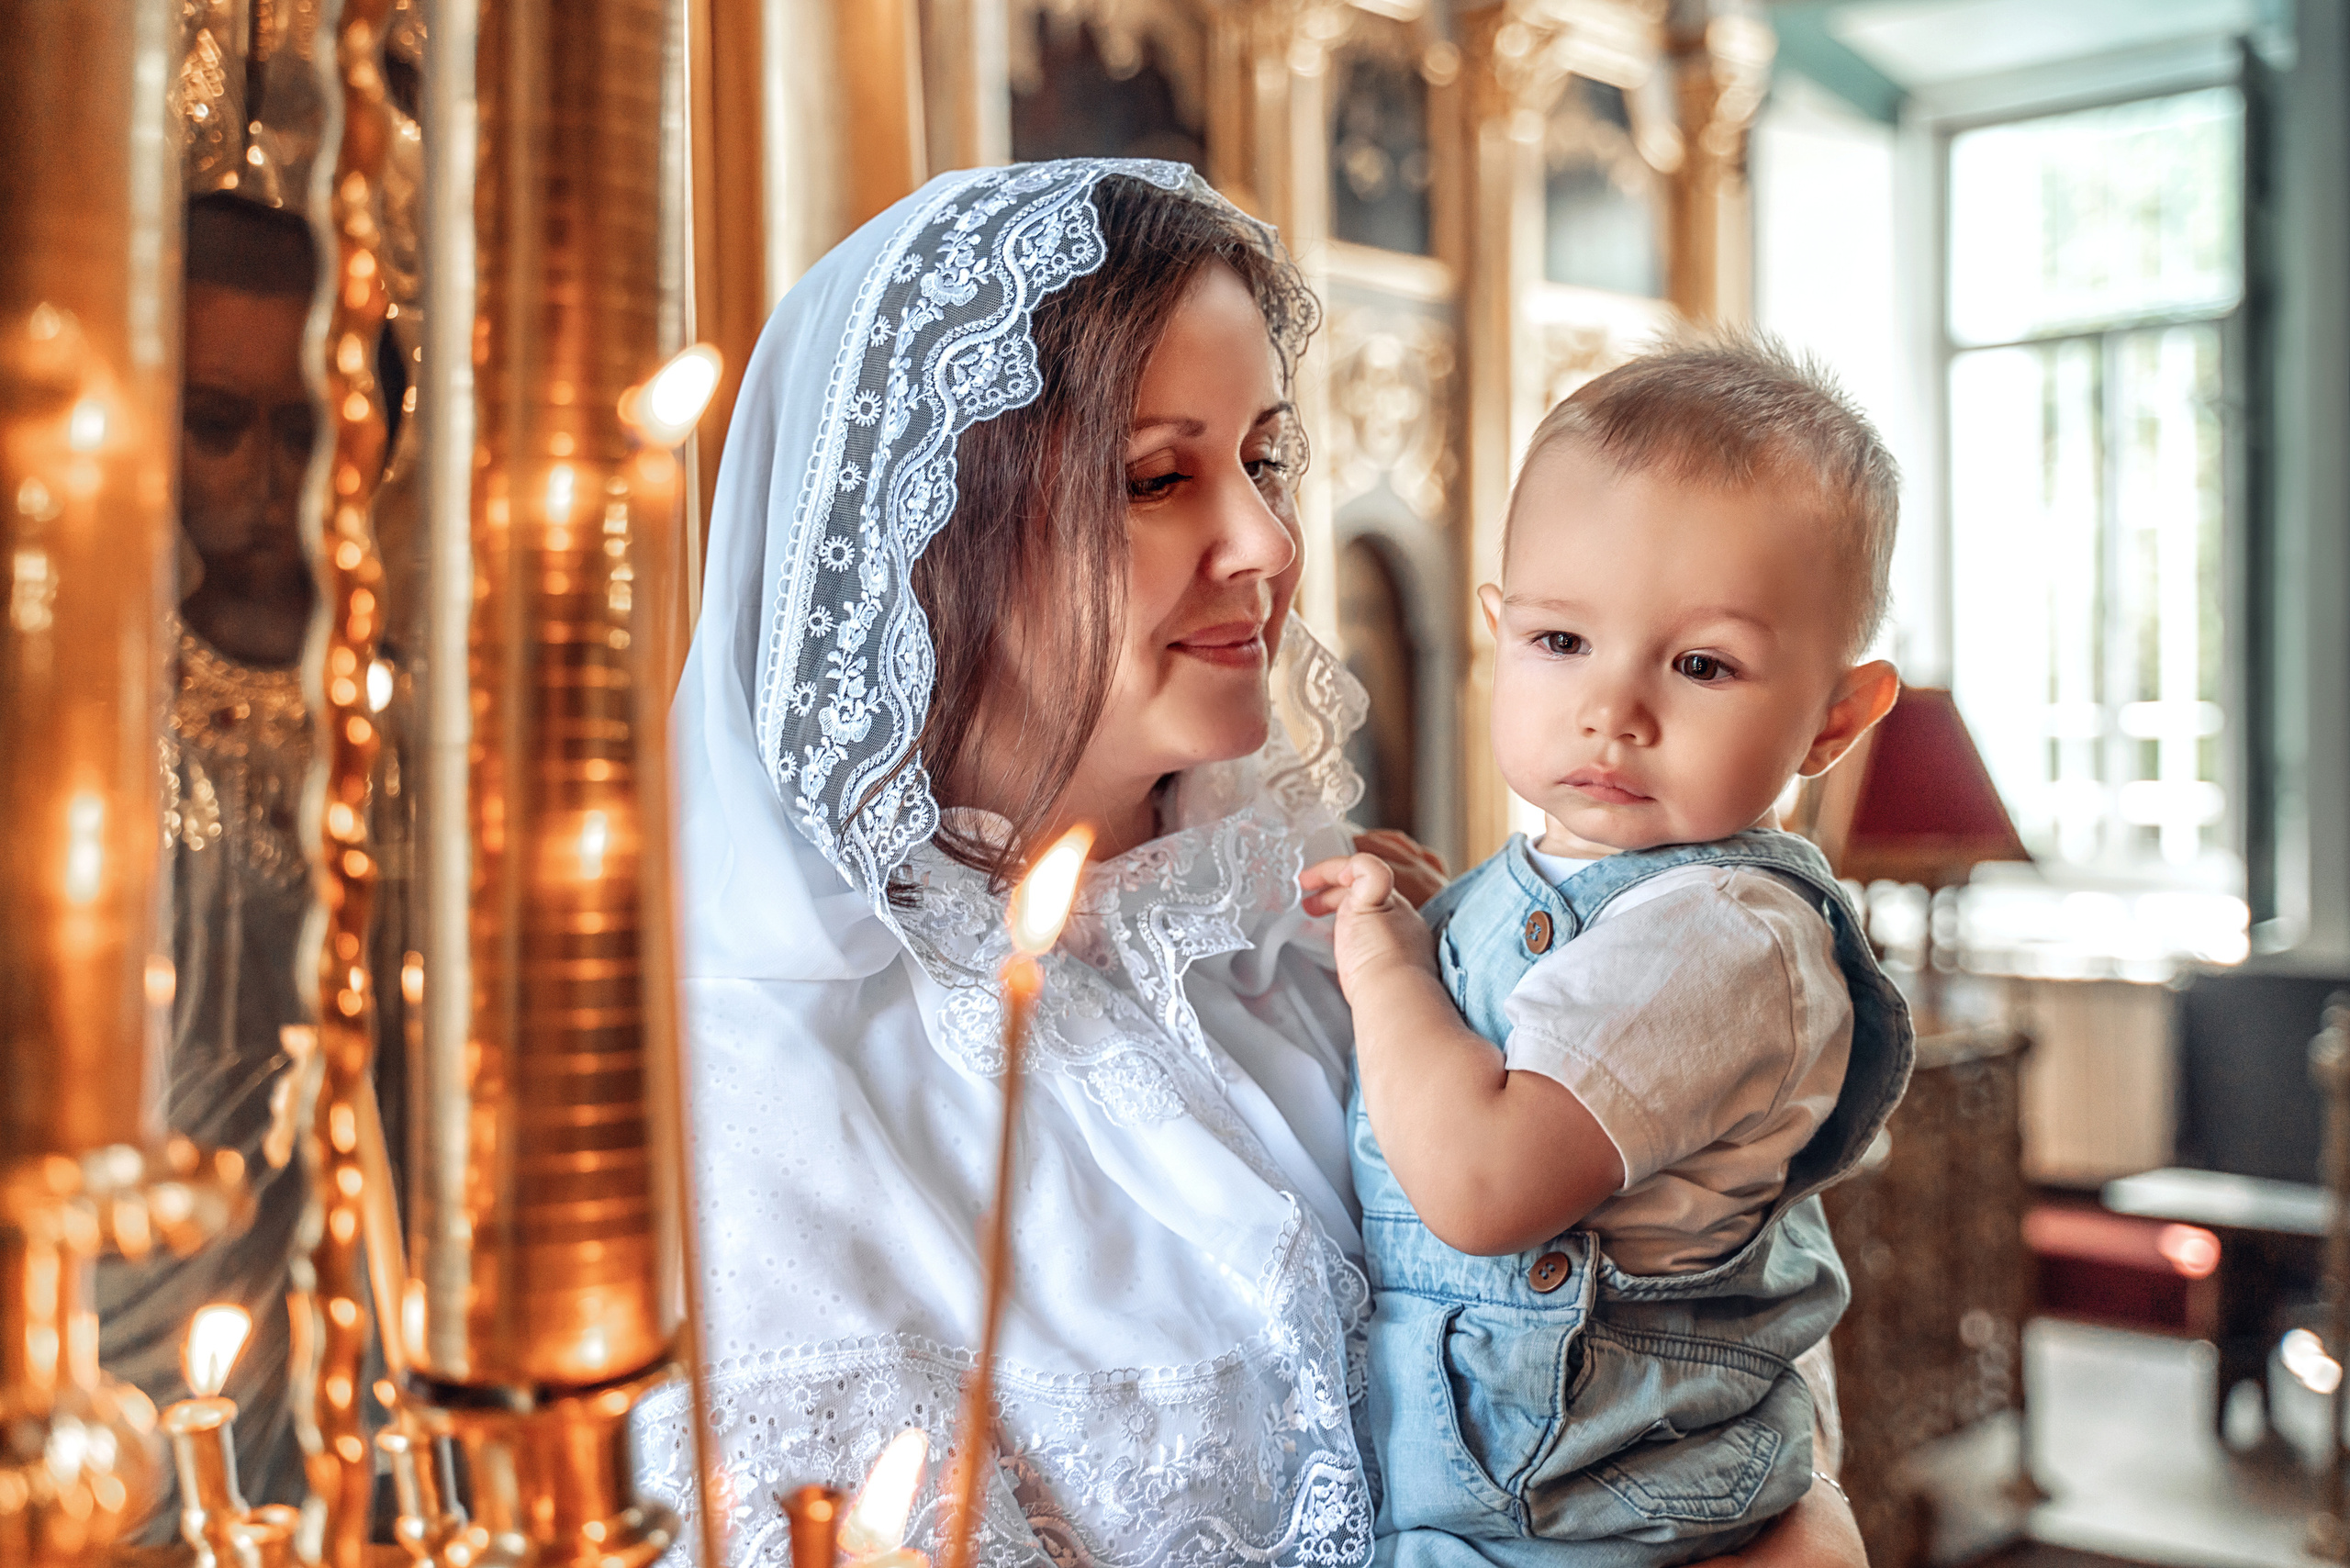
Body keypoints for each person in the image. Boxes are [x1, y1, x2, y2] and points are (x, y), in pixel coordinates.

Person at [638, 161, 1866, 1568]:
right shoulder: (749, 1104)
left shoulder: (1361, 947)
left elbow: (1718, 1366)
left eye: (1266, 460)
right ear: (933, 536)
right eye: (1158, 477)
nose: (1271, 542)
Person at [1301, 340, 1914, 1565]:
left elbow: (1483, 1186)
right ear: (1498, 631)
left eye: (1701, 665)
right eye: (1562, 643)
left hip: (1573, 1519)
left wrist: (1387, 962)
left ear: (1834, 720)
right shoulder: (1608, 891)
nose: (1613, 709)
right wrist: (1451, 933)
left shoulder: (1727, 939)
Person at [100, 191, 321, 1522]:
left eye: (302, 426)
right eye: (217, 421)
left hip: (375, 1326)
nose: (263, 475)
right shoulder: (98, 732)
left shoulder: (411, 721)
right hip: (148, 1325)